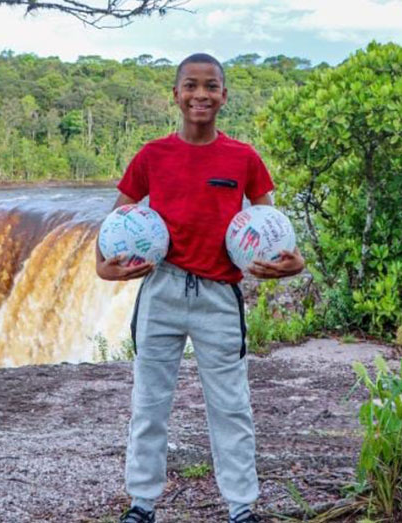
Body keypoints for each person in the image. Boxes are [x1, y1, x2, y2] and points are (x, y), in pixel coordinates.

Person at [96, 53, 305, 523]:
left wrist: (296, 262)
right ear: (176, 94)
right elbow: (116, 220)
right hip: (162, 290)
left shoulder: (243, 158)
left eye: (211, 86)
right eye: (191, 85)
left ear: (224, 96)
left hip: (219, 297)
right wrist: (103, 268)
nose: (201, 95)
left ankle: (241, 508)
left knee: (231, 406)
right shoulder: (152, 156)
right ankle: (142, 504)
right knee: (149, 403)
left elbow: (271, 230)